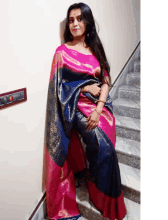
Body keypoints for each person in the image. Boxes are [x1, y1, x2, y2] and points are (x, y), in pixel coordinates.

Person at [45, 2, 127, 220]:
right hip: (77, 107)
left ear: (87, 21)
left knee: (107, 151)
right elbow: (58, 88)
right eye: (71, 20)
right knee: (102, 147)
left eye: (79, 18)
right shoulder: (62, 52)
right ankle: (100, 195)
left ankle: (102, 191)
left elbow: (106, 80)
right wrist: (84, 86)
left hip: (101, 108)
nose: (75, 23)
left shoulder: (95, 48)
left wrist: (99, 108)